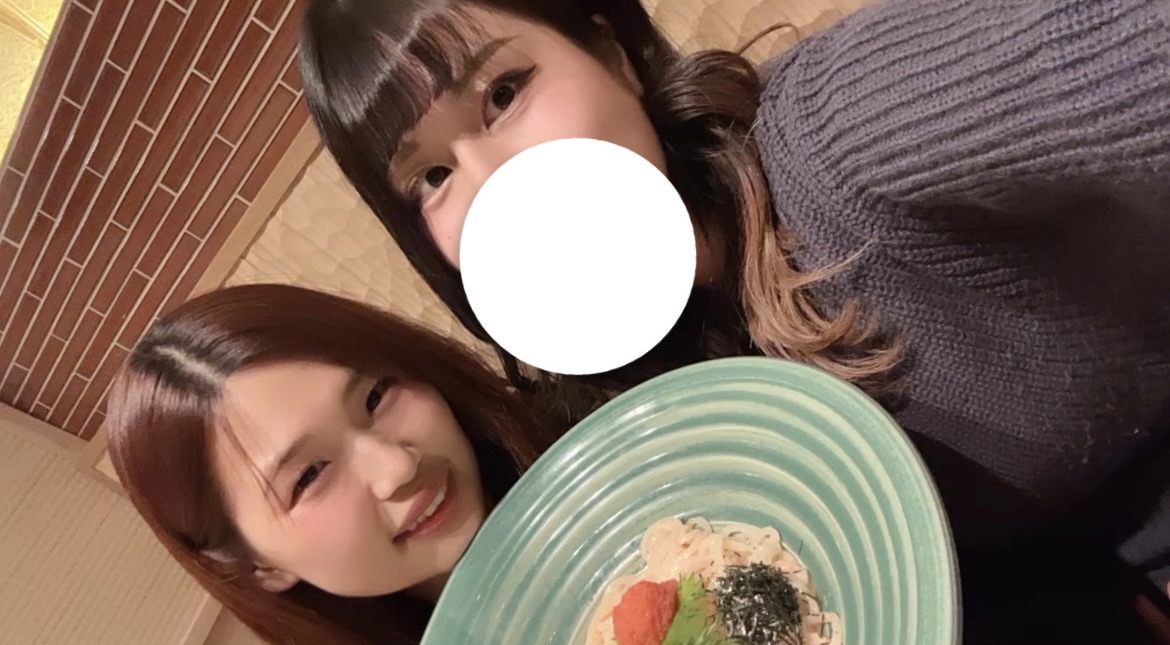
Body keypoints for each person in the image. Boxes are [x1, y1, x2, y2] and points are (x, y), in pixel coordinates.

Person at [299, 0, 1170, 640]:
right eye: (432, 178)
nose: (498, 188)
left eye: (503, 92)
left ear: (611, 50)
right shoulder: (632, 397)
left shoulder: (842, 136)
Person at [105, 283, 560, 645]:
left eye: (375, 397)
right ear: (262, 566)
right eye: (309, 475)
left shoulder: (587, 414)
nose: (397, 468)